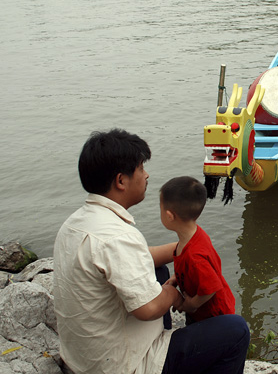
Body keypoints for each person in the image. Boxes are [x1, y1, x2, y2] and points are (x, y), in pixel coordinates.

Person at [53, 128, 249, 374]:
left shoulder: (77, 222)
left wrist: (194, 249)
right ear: (121, 181)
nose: (147, 175)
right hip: (124, 364)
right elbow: (146, 310)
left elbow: (142, 257)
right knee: (237, 330)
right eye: (141, 169)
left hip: (85, 356)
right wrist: (175, 297)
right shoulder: (118, 237)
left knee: (156, 268)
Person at [160, 176, 235, 323]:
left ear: (169, 216)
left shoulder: (195, 256)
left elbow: (211, 288)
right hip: (203, 311)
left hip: (214, 316)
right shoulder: (194, 235)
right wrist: (178, 277)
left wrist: (191, 304)